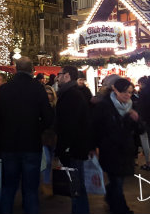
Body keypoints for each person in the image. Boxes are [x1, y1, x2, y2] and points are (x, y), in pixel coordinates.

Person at [0, 57, 54, 214]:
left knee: (8, 188)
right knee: (31, 189)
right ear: (32, 70)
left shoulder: (4, 89)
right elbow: (49, 118)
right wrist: (37, 128)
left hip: (8, 145)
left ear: (15, 69)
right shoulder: (38, 88)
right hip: (31, 144)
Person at [90, 78, 141, 214]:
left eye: (130, 92)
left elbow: (140, 130)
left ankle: (111, 198)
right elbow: (95, 127)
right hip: (110, 150)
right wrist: (93, 147)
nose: (127, 95)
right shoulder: (104, 106)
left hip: (126, 150)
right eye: (124, 92)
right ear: (115, 90)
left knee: (118, 182)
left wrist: (136, 120)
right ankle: (120, 209)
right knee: (117, 181)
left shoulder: (132, 105)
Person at [55, 66, 91, 214]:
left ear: (67, 76)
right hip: (75, 147)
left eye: (59, 74)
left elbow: (70, 125)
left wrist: (64, 148)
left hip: (74, 148)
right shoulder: (71, 94)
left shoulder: (71, 95)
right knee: (76, 184)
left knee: (76, 185)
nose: (57, 78)